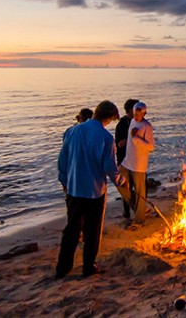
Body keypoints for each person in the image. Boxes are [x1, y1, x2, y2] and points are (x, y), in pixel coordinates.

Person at [56, 100, 126, 279]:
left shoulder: (72, 131)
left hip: (73, 188)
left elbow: (62, 160)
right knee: (92, 230)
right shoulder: (105, 137)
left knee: (71, 229)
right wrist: (120, 180)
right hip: (94, 191)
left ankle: (63, 268)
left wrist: (64, 180)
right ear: (108, 118)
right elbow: (109, 166)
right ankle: (88, 266)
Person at [120, 102, 155, 228]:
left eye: (139, 114)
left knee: (140, 192)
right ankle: (139, 208)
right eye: (135, 114)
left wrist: (136, 139)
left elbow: (151, 147)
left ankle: (139, 220)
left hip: (139, 164)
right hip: (127, 160)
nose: (136, 116)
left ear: (144, 113)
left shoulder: (147, 126)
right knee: (119, 181)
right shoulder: (132, 122)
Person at [114, 99, 139, 219]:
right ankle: (127, 212)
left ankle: (138, 211)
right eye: (136, 110)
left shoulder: (138, 122)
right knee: (126, 187)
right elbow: (120, 143)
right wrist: (132, 136)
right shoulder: (122, 124)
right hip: (124, 161)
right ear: (129, 110)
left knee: (138, 187)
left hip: (137, 160)